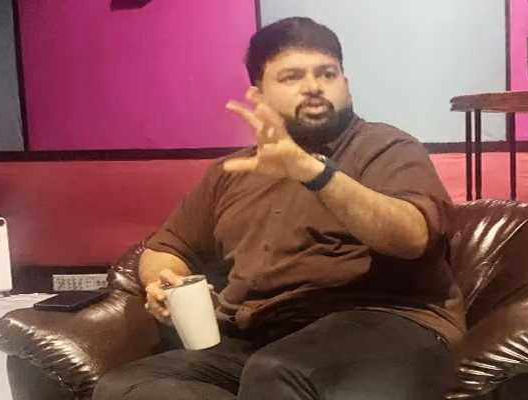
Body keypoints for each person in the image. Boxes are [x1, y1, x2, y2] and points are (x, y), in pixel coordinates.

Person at [93, 17, 465, 400]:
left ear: (346, 83)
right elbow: (166, 248)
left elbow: (410, 237)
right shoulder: (232, 171)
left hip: (390, 324)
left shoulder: (387, 147)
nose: (314, 86)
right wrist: (163, 282)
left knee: (278, 373)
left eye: (327, 74)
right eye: (291, 77)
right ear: (260, 94)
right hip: (260, 336)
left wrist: (312, 171)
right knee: (124, 388)